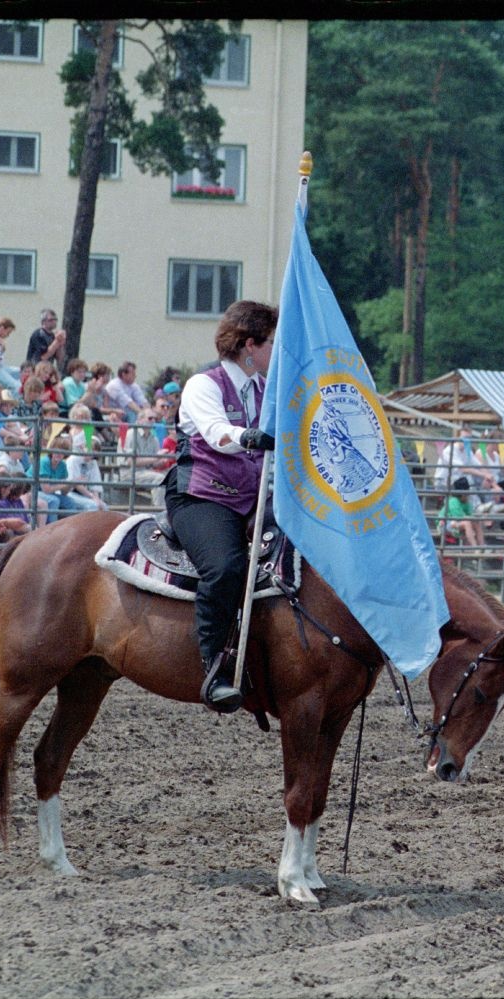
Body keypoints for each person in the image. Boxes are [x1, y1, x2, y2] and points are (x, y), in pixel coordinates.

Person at [165, 300, 278, 713]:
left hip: (252, 498)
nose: (275, 352)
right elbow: (215, 435)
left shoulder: (267, 391)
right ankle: (214, 669)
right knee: (225, 567)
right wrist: (255, 437)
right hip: (200, 497)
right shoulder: (203, 385)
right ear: (250, 344)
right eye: (271, 343)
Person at [442, 478, 484, 546]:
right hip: (445, 523)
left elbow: (469, 515)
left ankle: (482, 546)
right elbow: (459, 517)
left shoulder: (466, 502)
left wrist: (476, 518)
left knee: (476, 522)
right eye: (467, 493)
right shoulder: (453, 501)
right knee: (467, 523)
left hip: (457, 524)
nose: (468, 495)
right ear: (462, 494)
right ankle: (475, 547)